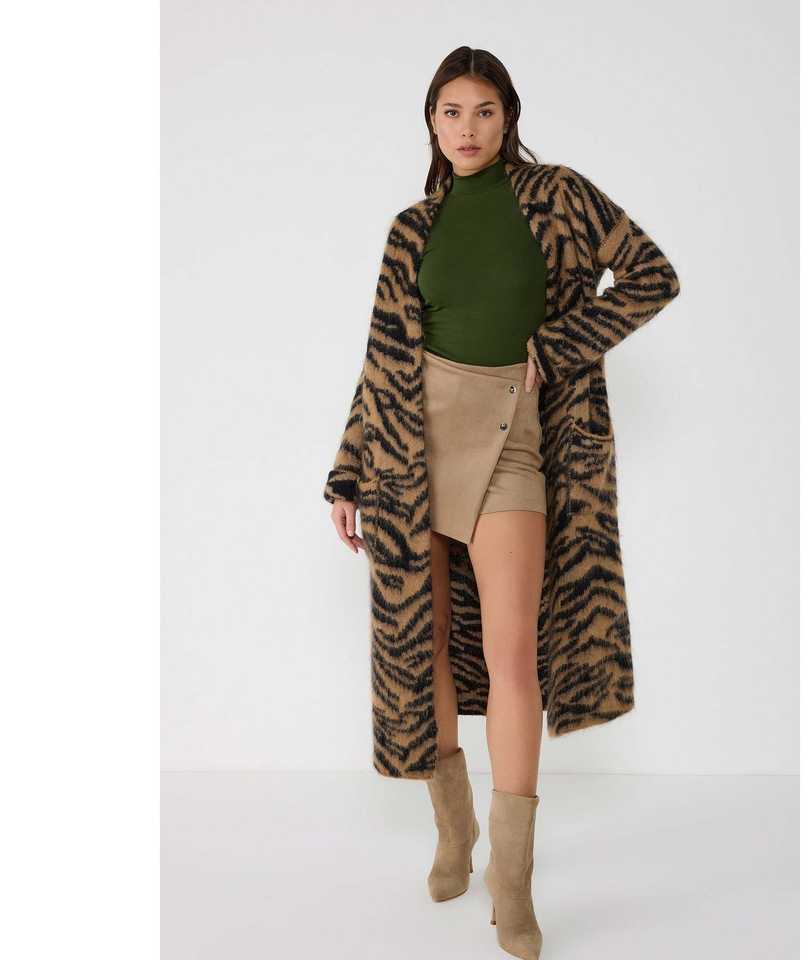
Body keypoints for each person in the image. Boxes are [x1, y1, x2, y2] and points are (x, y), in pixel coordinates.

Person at [327, 46, 680, 960]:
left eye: (484, 110)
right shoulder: (412, 228)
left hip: (513, 438)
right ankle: (456, 834)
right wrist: (349, 471)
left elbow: (651, 275)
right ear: (431, 121)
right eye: (451, 111)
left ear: (509, 116)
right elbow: (381, 358)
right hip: (411, 450)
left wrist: (557, 347)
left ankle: (512, 883)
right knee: (429, 645)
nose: (468, 127)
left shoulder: (557, 196)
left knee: (513, 652)